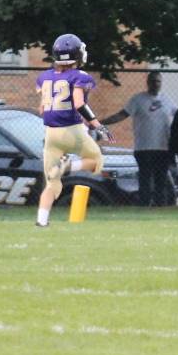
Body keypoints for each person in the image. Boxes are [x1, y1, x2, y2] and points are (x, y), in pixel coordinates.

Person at [34, 34, 108, 228]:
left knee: (53, 181)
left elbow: (42, 107)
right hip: (72, 130)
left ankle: (41, 221)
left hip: (51, 133)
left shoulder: (44, 77)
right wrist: (96, 124)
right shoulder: (80, 77)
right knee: (96, 162)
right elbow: (78, 103)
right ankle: (68, 167)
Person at [102, 71, 178, 207]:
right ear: (147, 83)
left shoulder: (167, 100)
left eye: (158, 81)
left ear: (161, 83)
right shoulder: (138, 100)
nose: (155, 84)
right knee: (145, 179)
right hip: (143, 148)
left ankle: (160, 206)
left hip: (163, 147)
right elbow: (121, 115)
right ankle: (144, 205)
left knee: (161, 179)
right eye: (153, 81)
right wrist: (100, 122)